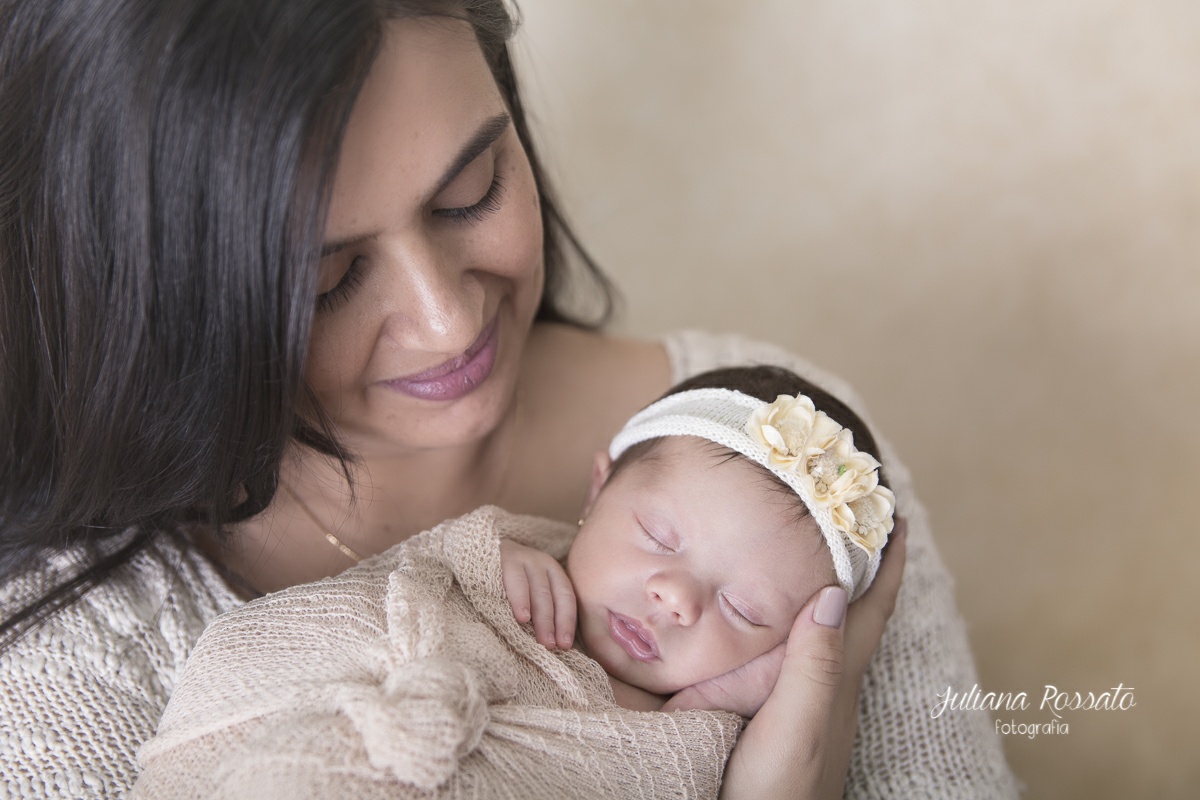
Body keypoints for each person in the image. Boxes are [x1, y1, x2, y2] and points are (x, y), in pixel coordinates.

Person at [0, 1, 1017, 798]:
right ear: (154, 293)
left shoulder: (794, 468)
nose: (447, 322)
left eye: (470, 191)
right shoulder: (72, 642)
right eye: (325, 281)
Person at [132, 366, 903, 799]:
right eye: (658, 537)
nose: (676, 596)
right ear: (597, 490)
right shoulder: (501, 554)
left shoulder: (711, 748)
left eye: (743, 607)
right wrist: (474, 555)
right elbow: (384, 594)